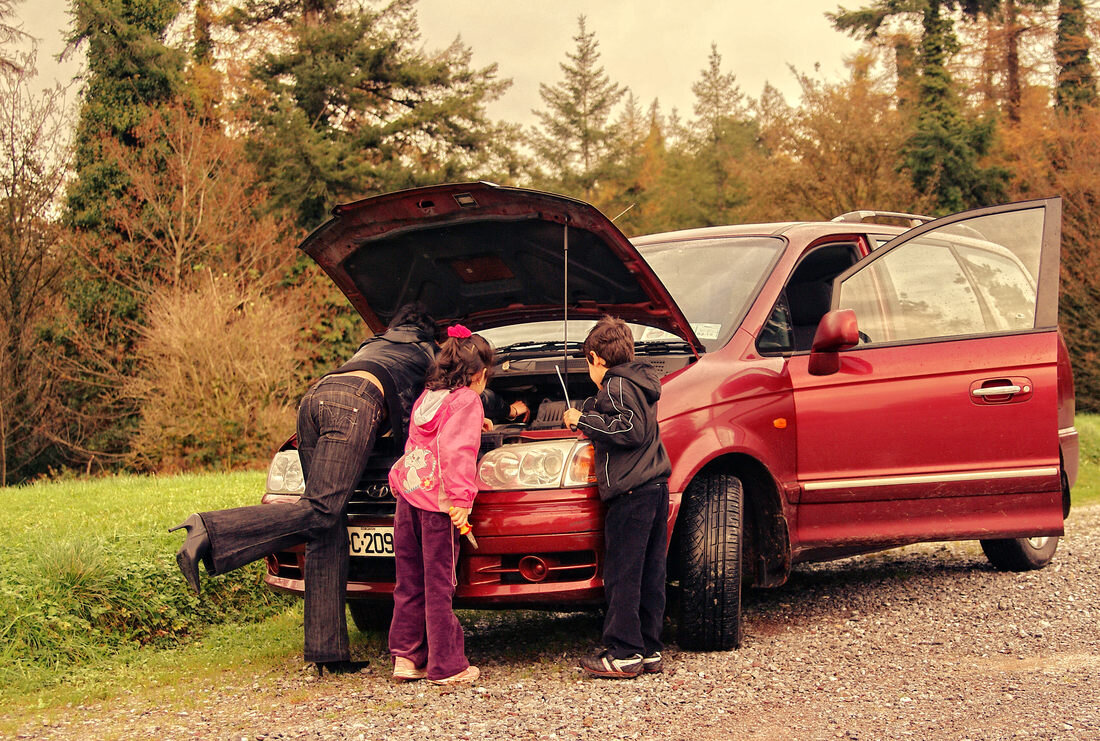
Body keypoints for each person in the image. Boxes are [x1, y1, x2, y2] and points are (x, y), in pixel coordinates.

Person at [169, 303, 438, 676]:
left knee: (324, 525)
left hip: (315, 397)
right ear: (429, 332)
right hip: (355, 404)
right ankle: (211, 529)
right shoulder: (425, 352)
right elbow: (426, 409)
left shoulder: (372, 344)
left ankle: (327, 653)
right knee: (323, 510)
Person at [562, 316, 672, 679]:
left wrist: (583, 420)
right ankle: (649, 647)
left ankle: (624, 652)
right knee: (649, 572)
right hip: (654, 487)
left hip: (631, 491)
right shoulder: (637, 382)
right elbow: (630, 418)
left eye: (587, 363)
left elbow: (630, 428)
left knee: (623, 573)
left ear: (595, 358)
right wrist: (592, 411)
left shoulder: (615, 384)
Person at [387, 324, 492, 685]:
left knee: (409, 581)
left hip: (409, 498)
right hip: (437, 507)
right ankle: (447, 666)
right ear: (477, 374)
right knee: (439, 583)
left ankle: (406, 657)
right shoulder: (468, 400)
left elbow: (425, 441)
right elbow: (456, 453)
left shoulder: (427, 397)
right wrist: (462, 502)